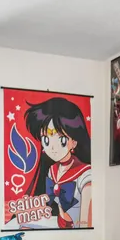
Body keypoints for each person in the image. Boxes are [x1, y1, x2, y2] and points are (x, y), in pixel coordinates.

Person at [24, 98, 92, 229]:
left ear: (74, 142)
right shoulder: (52, 170)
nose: (53, 148)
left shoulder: (85, 175)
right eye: (46, 140)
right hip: (57, 226)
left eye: (62, 140)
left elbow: (86, 224)